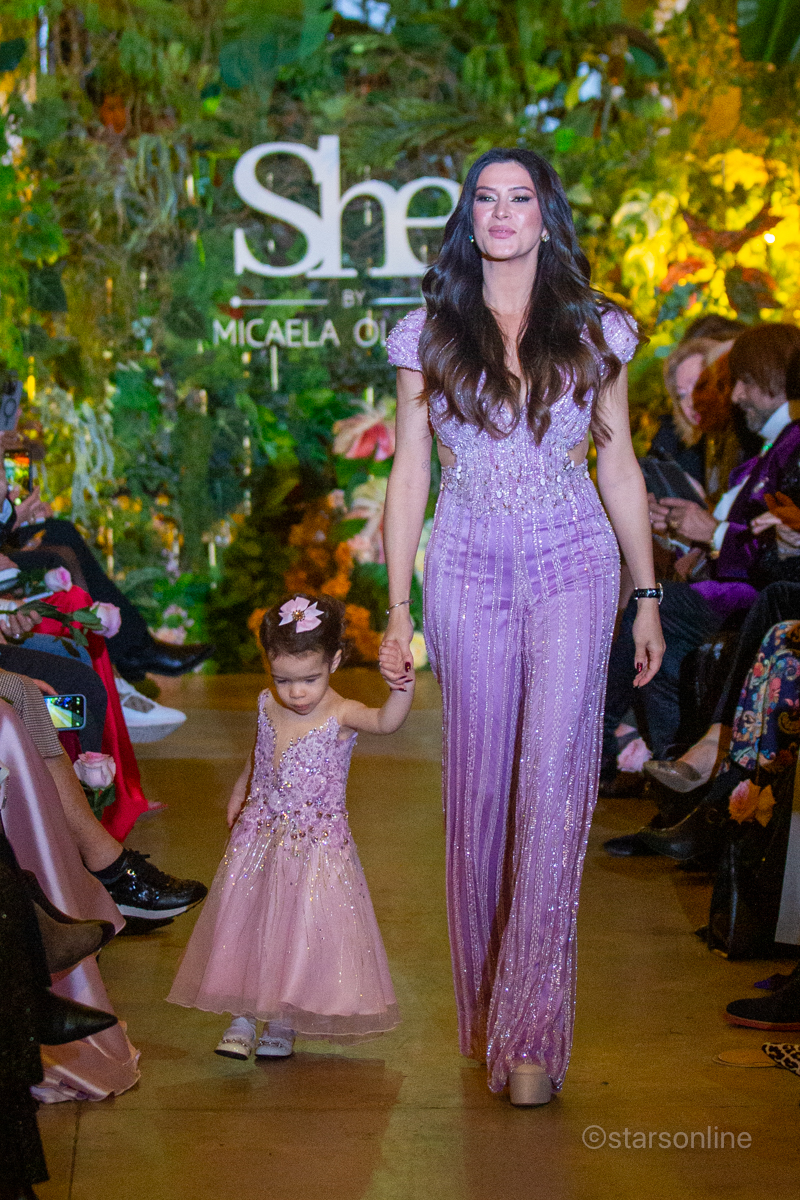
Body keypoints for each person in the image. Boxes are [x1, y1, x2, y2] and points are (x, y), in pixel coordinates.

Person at [378, 148, 663, 1106]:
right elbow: (409, 474)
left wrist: (648, 595)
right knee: (482, 792)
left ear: (547, 215)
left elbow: (618, 465)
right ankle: (488, 1013)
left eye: (521, 198)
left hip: (574, 560)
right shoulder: (428, 332)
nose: (503, 213)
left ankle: (531, 1034)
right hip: (464, 564)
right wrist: (398, 609)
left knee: (553, 784)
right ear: (469, 217)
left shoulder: (597, 328)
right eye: (487, 199)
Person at [167, 594, 411, 1059]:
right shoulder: (267, 703)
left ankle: (282, 1020)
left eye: (309, 679)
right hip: (259, 834)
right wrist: (240, 789)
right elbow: (260, 750)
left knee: (296, 932)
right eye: (283, 680)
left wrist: (402, 685)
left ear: (334, 661)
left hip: (313, 846)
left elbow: (385, 722)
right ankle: (242, 1016)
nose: (296, 692)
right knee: (248, 922)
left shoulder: (341, 713)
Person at [602, 323, 800, 789]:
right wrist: (699, 540)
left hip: (760, 593)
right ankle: (666, 768)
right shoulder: (769, 443)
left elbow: (771, 550)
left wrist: (713, 536)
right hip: (749, 585)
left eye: (740, 381)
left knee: (658, 607)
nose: (732, 397)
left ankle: (599, 735)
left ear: (773, 377)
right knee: (653, 606)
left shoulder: (788, 442)